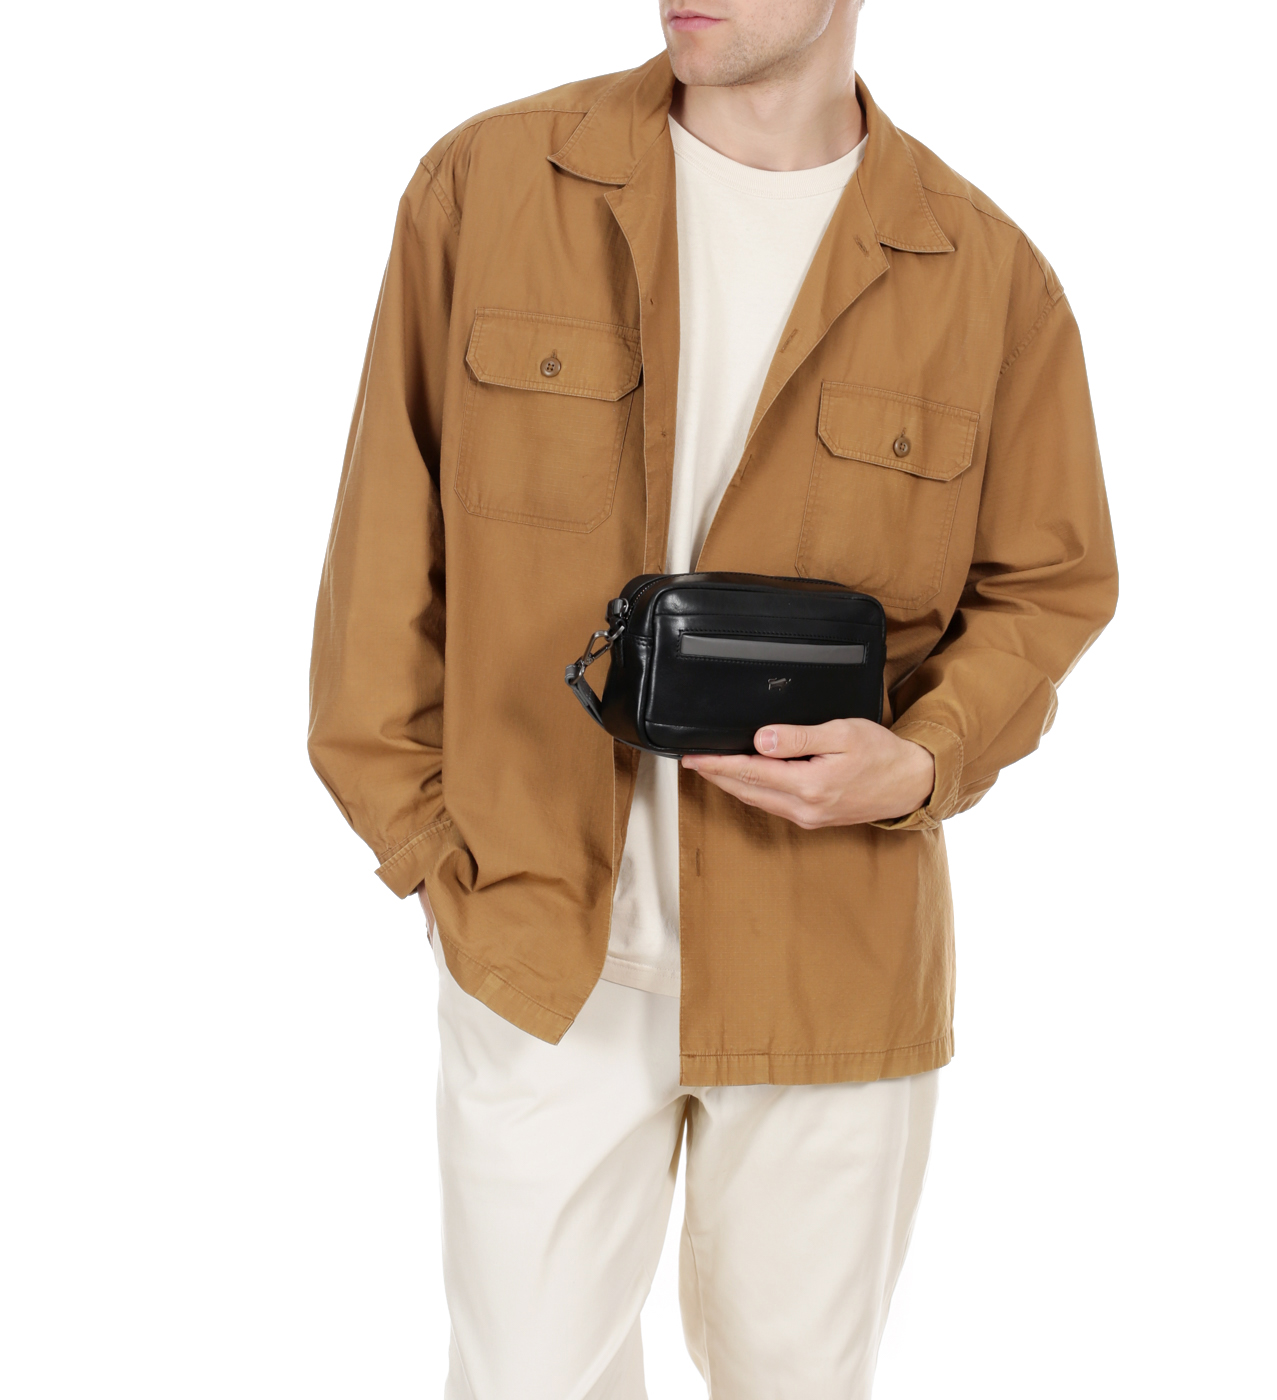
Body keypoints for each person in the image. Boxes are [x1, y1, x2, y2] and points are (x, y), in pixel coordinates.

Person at [308, 1, 1117, 1395]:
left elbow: (1051, 585)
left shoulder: (988, 278)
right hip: (541, 951)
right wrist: (434, 856)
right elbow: (384, 550)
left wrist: (922, 762)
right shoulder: (490, 186)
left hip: (832, 967)